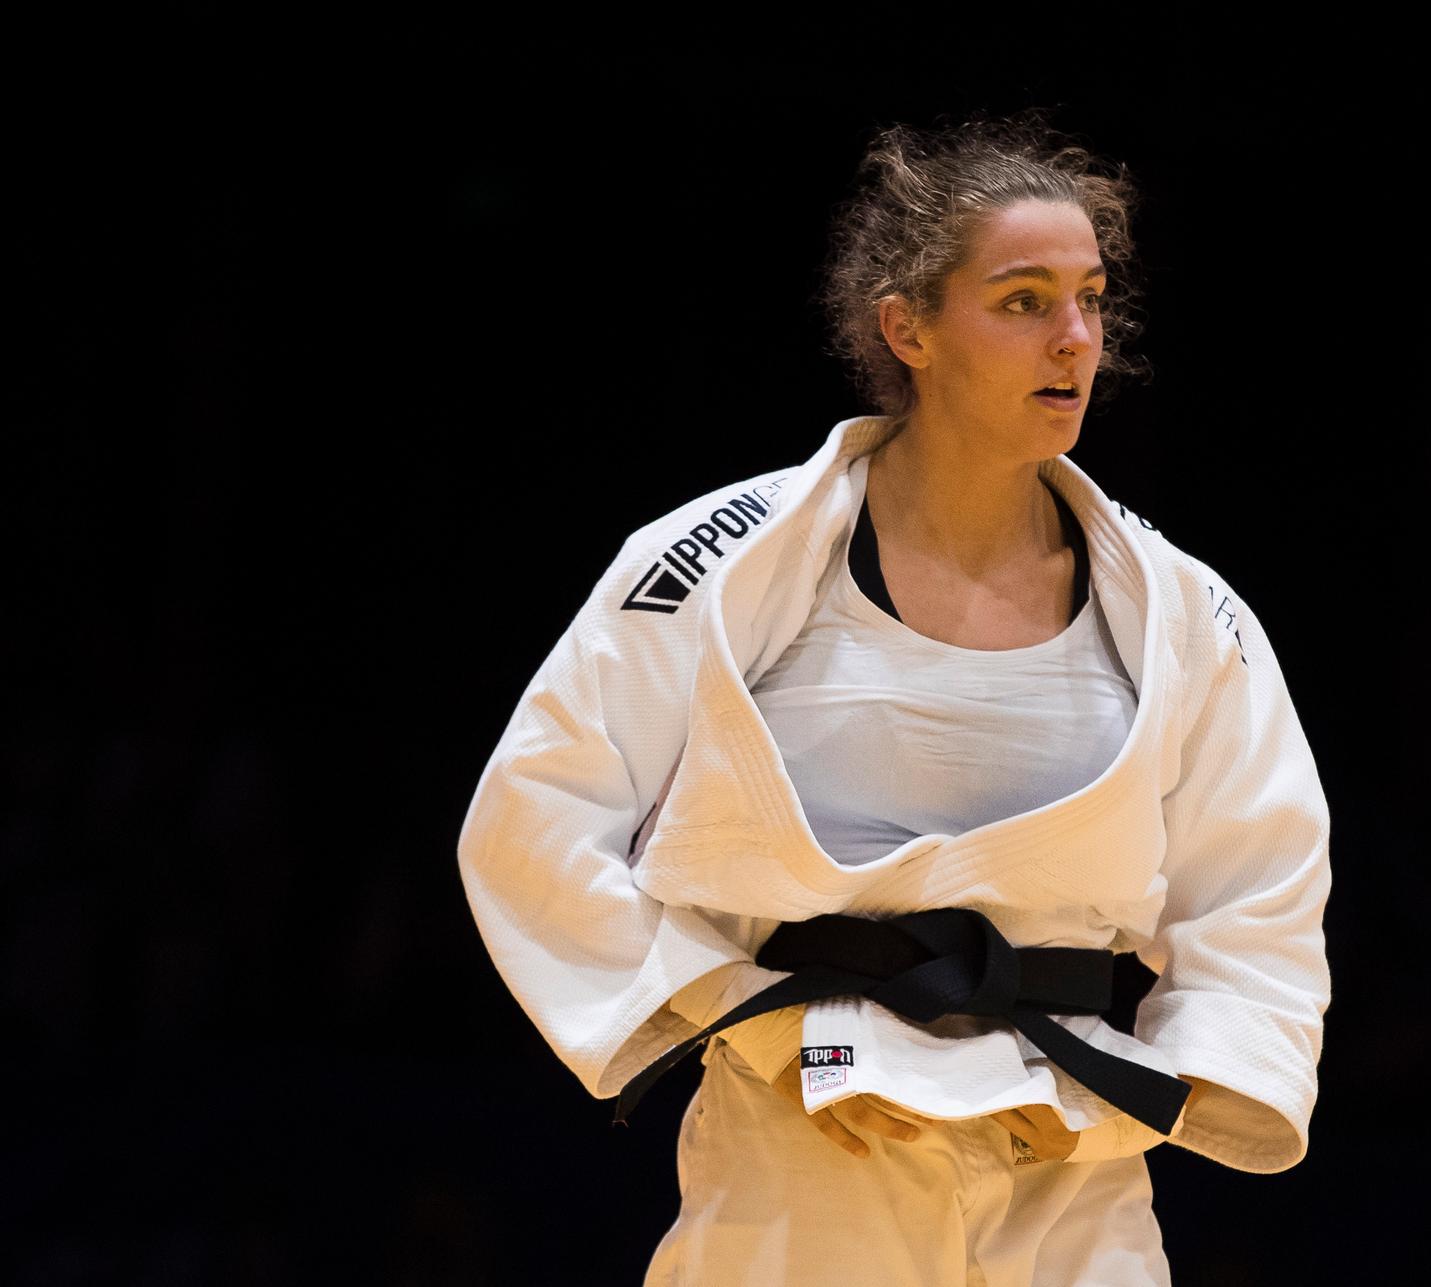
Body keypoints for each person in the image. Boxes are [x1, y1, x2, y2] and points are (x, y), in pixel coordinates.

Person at [456, 109, 1333, 1286]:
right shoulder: (726, 563)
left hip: (1065, 1144)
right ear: (907, 327)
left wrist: (1148, 1094)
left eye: (1090, 298)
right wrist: (751, 1020)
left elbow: (1259, 891)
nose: (1075, 339)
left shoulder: (1182, 610)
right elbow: (536, 819)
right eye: (1024, 301)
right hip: (801, 1125)